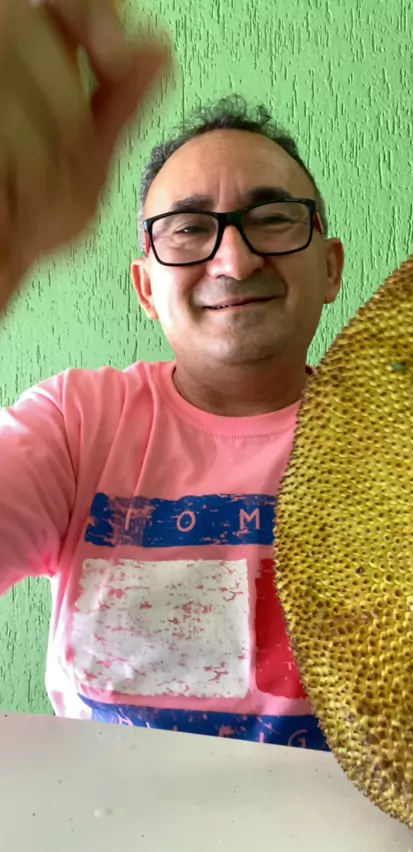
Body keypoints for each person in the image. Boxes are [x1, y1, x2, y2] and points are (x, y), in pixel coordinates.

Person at [0, 0, 344, 748]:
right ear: (146, 289)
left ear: (331, 267)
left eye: (273, 218)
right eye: (188, 229)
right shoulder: (74, 424)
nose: (235, 260)